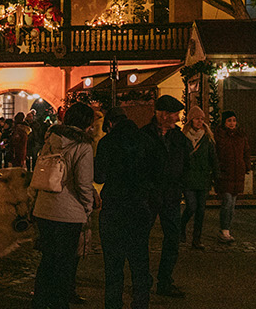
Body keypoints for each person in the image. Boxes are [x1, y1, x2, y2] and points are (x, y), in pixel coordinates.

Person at [31, 101, 97, 309]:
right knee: (65, 265)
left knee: (48, 261)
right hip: (68, 213)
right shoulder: (83, 146)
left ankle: (40, 303)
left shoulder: (51, 138)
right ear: (85, 123)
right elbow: (84, 183)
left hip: (44, 209)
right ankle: (59, 304)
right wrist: (87, 207)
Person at [96, 106, 158, 309]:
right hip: (139, 207)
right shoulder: (146, 141)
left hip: (114, 207)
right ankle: (141, 302)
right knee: (139, 259)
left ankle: (113, 304)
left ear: (110, 123)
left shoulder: (107, 142)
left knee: (113, 264)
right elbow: (155, 174)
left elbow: (99, 176)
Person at [144, 94, 191, 298]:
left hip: (171, 195)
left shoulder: (179, 138)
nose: (177, 118)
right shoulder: (145, 135)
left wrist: (180, 185)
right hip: (150, 194)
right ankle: (142, 278)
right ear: (162, 115)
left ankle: (165, 281)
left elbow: (185, 164)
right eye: (174, 114)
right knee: (141, 237)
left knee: (172, 238)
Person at [179, 106, 217, 250]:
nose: (200, 121)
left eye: (202, 119)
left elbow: (213, 157)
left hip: (202, 178)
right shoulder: (184, 138)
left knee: (201, 209)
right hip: (188, 178)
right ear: (191, 120)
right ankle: (182, 227)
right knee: (191, 206)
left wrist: (215, 175)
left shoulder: (207, 138)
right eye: (197, 119)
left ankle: (197, 239)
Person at [214, 110, 250, 244]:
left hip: (237, 173)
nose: (232, 123)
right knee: (227, 202)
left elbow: (246, 151)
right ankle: (224, 230)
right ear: (224, 122)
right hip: (225, 173)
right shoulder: (219, 136)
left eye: (234, 120)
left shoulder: (240, 136)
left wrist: (246, 165)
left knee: (232, 204)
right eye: (229, 121)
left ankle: (227, 229)